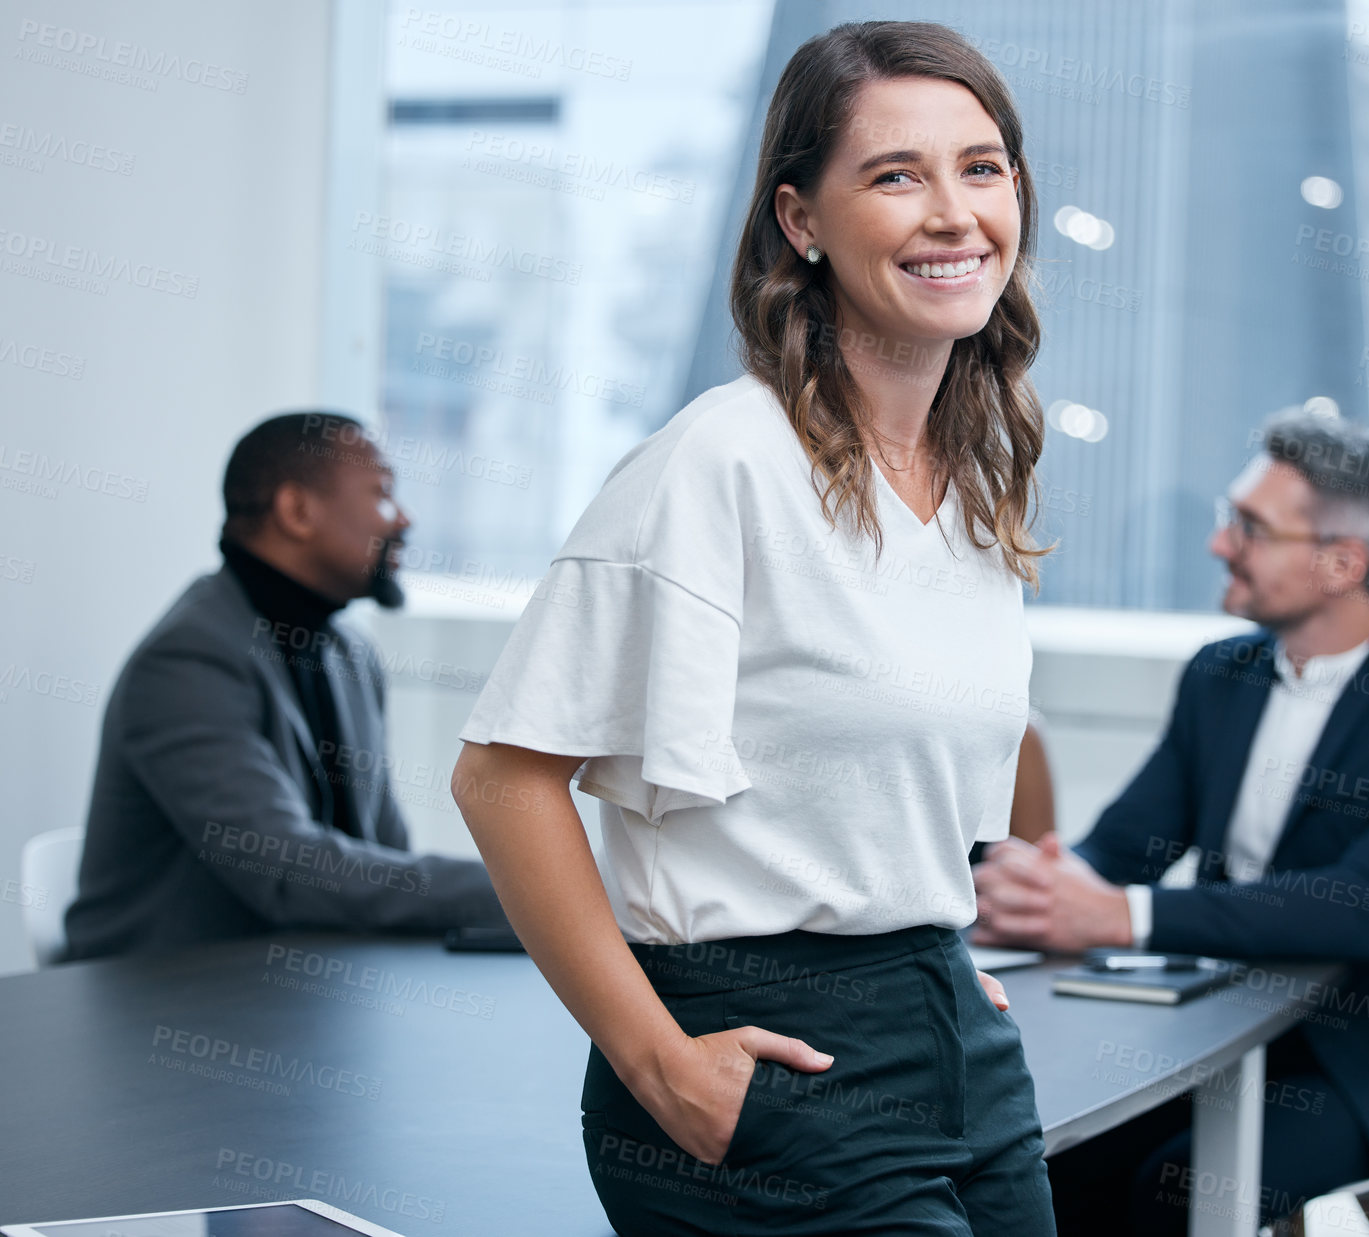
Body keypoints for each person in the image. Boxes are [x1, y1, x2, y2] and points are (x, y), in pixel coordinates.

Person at [452, 20, 1058, 1235]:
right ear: (800, 221)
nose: (953, 213)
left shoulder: (976, 475)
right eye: (896, 175)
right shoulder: (716, 463)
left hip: (944, 1025)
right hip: (759, 1051)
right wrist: (654, 1060)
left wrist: (916, 952)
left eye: (980, 167)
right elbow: (503, 779)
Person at [972, 411, 1369, 1234]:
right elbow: (1128, 845)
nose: (1218, 543)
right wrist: (1053, 879)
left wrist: (1120, 914)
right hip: (1217, 1018)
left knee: (1177, 1186)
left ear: (1341, 563)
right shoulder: (1220, 674)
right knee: (1046, 1156)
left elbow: (1362, 906)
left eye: (1250, 527)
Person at [65, 413, 506, 960]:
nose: (404, 519)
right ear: (297, 511)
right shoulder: (188, 662)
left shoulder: (350, 654)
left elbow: (383, 854)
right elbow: (289, 873)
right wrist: (530, 896)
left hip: (307, 988)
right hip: (166, 1008)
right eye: (383, 494)